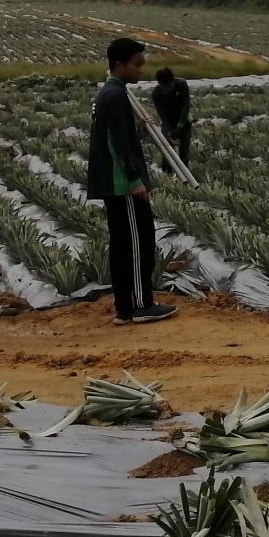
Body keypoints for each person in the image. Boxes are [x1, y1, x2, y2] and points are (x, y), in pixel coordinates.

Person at [87, 37, 175, 326]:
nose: (141, 71)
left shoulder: (110, 93)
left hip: (117, 182)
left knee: (124, 243)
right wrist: (134, 179)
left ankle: (125, 307)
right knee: (138, 242)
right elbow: (115, 144)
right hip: (122, 184)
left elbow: (121, 137)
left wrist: (140, 131)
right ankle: (139, 304)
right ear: (119, 65)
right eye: (136, 65)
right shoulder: (115, 96)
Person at [150, 66, 193, 169]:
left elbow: (185, 106)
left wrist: (179, 126)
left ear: (172, 81)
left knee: (183, 153)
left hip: (184, 120)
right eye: (164, 87)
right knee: (167, 152)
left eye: (168, 86)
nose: (167, 90)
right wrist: (170, 132)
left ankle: (185, 176)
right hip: (168, 122)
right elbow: (163, 115)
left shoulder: (182, 84)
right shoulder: (157, 93)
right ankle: (166, 174)